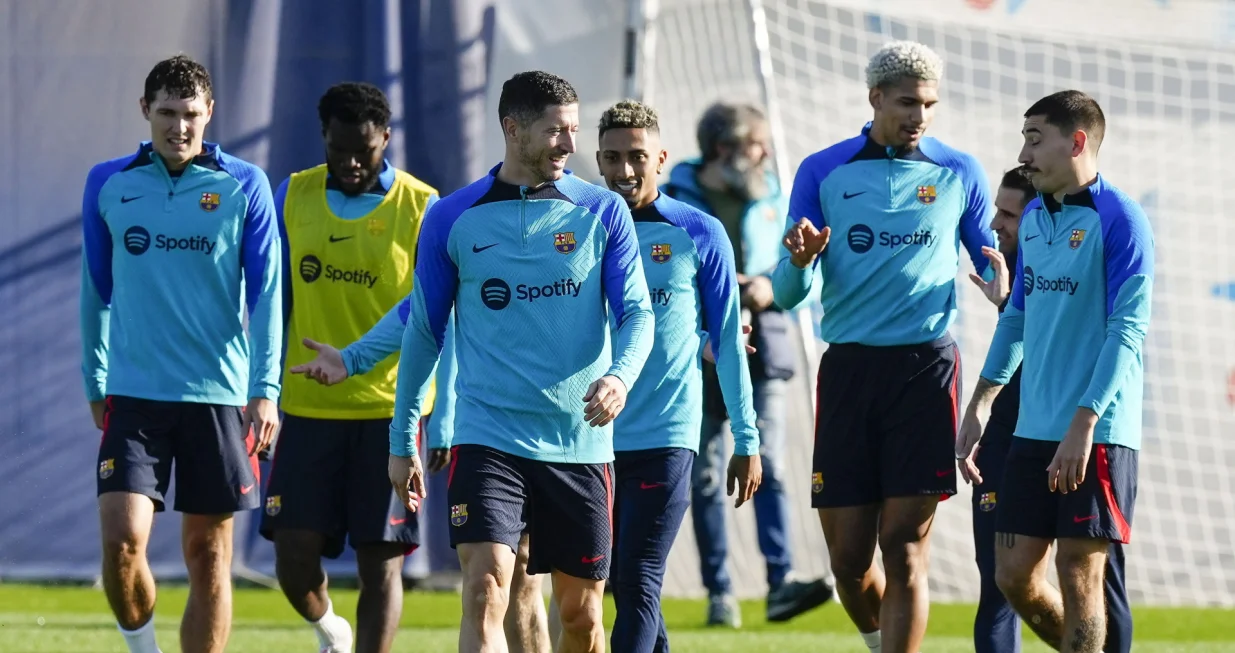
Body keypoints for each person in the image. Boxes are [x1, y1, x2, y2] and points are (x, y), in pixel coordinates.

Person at [385, 71, 654, 653]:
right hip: (488, 436)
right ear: (513, 129)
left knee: (581, 618)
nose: (570, 145)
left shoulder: (603, 212)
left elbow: (637, 314)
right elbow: (425, 332)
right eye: (556, 131)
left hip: (577, 443)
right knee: (485, 589)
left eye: (574, 131)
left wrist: (619, 377)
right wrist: (403, 434)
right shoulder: (452, 217)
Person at [773, 40, 996, 653]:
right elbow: (789, 292)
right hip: (847, 369)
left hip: (925, 370)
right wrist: (798, 262)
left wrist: (1003, 281)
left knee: (904, 550)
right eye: (906, 102)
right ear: (874, 99)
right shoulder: (824, 170)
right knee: (849, 560)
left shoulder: (958, 171)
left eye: (929, 104)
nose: (919, 115)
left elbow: (988, 259)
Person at [81, 55, 281, 653]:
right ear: (145, 111)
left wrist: (265, 390)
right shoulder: (108, 182)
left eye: (191, 114)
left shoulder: (245, 184)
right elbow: (96, 288)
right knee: (121, 542)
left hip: (218, 397)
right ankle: (143, 648)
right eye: (167, 113)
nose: (179, 127)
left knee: (209, 554)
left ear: (210, 113)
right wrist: (96, 380)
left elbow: (269, 295)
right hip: (135, 393)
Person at [957, 90, 1153, 653]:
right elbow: (1017, 315)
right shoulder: (1038, 216)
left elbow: (1127, 330)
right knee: (1013, 575)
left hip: (1097, 431)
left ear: (1077, 141)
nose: (1024, 153)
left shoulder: (1121, 219)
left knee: (1079, 573)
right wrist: (982, 402)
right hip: (1032, 431)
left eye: (1034, 139)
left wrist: (1085, 422)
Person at [256, 81, 440, 653]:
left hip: (390, 411)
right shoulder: (292, 195)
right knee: (292, 557)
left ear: (387, 137)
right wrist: (262, 389)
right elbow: (270, 300)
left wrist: (444, 415)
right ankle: (327, 627)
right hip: (308, 408)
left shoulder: (422, 206)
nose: (353, 161)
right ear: (324, 139)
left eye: (366, 149)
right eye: (339, 149)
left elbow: (438, 316)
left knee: (379, 562)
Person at [593, 99, 763, 651]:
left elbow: (731, 342)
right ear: (596, 160)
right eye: (613, 158)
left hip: (668, 434)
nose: (624, 171)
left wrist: (747, 438)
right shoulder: (578, 229)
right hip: (589, 439)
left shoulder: (698, 231)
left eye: (637, 157)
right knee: (618, 579)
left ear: (662, 158)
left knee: (639, 575)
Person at [289, 308, 552, 653]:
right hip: (483, 426)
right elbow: (426, 308)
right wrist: (353, 359)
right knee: (487, 587)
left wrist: (619, 379)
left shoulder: (594, 251)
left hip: (570, 425)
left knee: (574, 603)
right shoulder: (453, 251)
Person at [661, 102, 833, 626]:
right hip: (698, 350)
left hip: (767, 346)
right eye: (755, 143)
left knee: (772, 466)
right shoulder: (673, 196)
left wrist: (768, 286)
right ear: (724, 148)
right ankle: (720, 593)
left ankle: (780, 583)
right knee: (707, 473)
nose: (764, 152)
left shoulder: (775, 195)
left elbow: (811, 277)